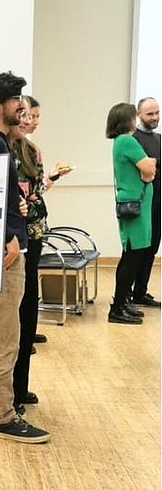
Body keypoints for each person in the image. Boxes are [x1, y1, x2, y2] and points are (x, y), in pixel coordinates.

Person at [0, 72, 49, 444]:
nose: (23, 104)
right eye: (16, 98)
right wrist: (10, 236)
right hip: (6, 251)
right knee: (4, 336)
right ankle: (4, 415)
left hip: (0, 248)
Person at [9, 95, 71, 409]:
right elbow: (19, 197)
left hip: (34, 233)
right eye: (26, 115)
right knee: (16, 312)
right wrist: (24, 202)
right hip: (15, 239)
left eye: (34, 116)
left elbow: (36, 192)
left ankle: (21, 387)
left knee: (29, 307)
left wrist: (49, 181)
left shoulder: (33, 151)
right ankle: (10, 390)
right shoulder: (4, 149)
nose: (31, 121)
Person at [107, 101, 158, 323]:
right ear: (127, 120)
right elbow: (149, 169)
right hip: (134, 208)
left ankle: (122, 303)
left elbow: (148, 170)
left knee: (131, 256)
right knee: (132, 257)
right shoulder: (128, 140)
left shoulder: (122, 141)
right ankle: (118, 307)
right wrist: (149, 168)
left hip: (137, 206)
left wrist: (148, 169)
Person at [131, 97, 161, 306]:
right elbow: (144, 168)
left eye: (157, 113)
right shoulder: (133, 139)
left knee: (152, 247)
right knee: (137, 250)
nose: (155, 117)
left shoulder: (159, 139)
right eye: (150, 113)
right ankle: (126, 294)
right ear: (139, 115)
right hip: (141, 203)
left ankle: (141, 291)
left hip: (158, 201)